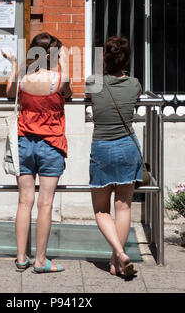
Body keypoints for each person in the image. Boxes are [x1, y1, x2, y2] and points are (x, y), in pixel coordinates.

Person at [2, 32, 72, 273]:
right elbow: (68, 94)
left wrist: (13, 64)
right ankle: (41, 261)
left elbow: (10, 94)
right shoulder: (59, 78)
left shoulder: (23, 78)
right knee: (45, 203)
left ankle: (22, 258)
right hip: (52, 144)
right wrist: (62, 59)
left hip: (24, 142)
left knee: (24, 202)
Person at [86, 36, 143, 278]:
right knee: (123, 207)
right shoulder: (135, 84)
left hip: (102, 148)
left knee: (101, 211)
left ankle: (119, 254)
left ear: (104, 59)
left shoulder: (93, 82)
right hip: (128, 147)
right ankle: (116, 263)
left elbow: (91, 99)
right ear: (127, 58)